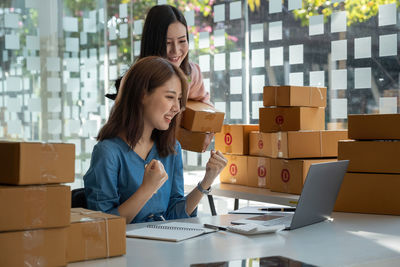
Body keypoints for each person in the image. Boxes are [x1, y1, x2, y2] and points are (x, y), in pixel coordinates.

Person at [84, 57, 227, 224]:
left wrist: (207, 181)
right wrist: (147, 189)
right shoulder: (108, 153)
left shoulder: (172, 148)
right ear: (142, 95)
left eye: (179, 99)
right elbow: (102, 225)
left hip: (163, 246)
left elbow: (175, 215)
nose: (177, 108)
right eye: (169, 97)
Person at [106, 4, 210, 104]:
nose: (176, 51)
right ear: (152, 43)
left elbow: (205, 110)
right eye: (167, 43)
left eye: (182, 41)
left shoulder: (191, 73)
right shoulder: (136, 80)